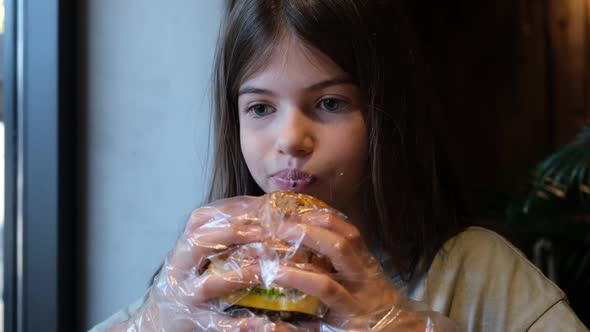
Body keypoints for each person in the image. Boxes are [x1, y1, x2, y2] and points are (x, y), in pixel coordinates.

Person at [90, 0, 588, 331]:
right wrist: (157, 317)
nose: (290, 140)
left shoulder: (476, 270)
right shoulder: (206, 277)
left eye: (330, 103)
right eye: (261, 108)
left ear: (386, 114)